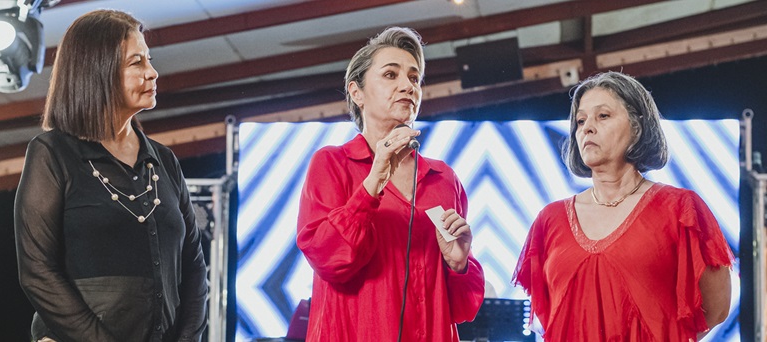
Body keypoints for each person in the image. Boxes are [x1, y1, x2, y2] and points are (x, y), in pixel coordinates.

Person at [14, 10, 208, 342]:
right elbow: (37, 272)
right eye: (137, 63)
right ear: (97, 72)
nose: (152, 72)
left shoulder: (164, 161)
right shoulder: (51, 154)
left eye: (149, 60)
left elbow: (194, 267)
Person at [513, 71, 733, 341]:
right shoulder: (550, 219)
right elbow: (547, 318)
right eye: (580, 120)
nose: (587, 128)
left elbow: (716, 308)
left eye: (603, 116)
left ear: (637, 127)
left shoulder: (681, 209)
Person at [296, 27, 484, 341]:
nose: (407, 86)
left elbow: (463, 308)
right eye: (390, 74)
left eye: (414, 78)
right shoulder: (332, 164)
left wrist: (458, 263)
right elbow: (329, 260)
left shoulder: (443, 178)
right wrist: (371, 185)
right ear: (356, 93)